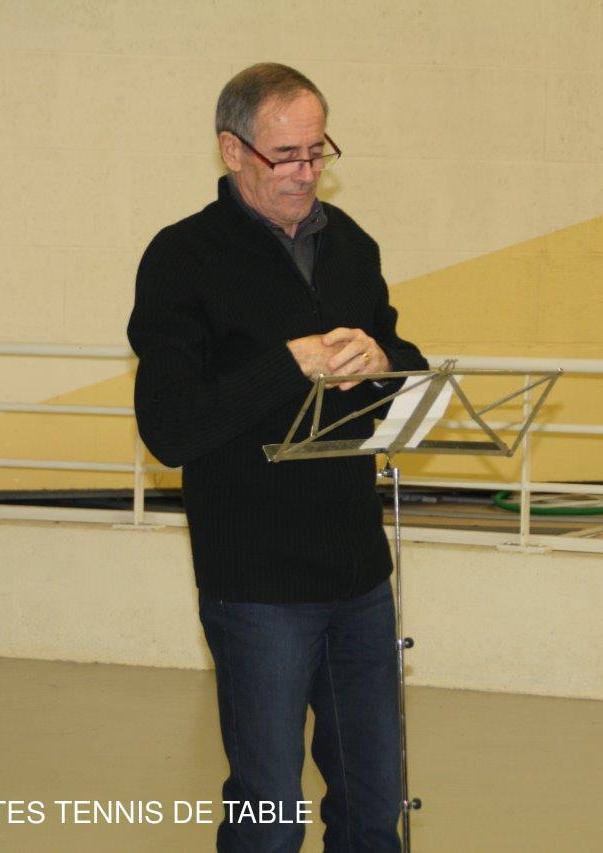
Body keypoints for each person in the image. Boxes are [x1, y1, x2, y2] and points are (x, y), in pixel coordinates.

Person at [127, 62, 427, 852]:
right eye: (285, 155)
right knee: (270, 810)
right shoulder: (182, 259)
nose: (305, 171)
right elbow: (170, 427)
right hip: (256, 585)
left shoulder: (351, 244)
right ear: (233, 151)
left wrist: (385, 360)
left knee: (375, 805)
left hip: (359, 573)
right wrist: (287, 363)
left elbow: (404, 368)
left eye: (317, 150)